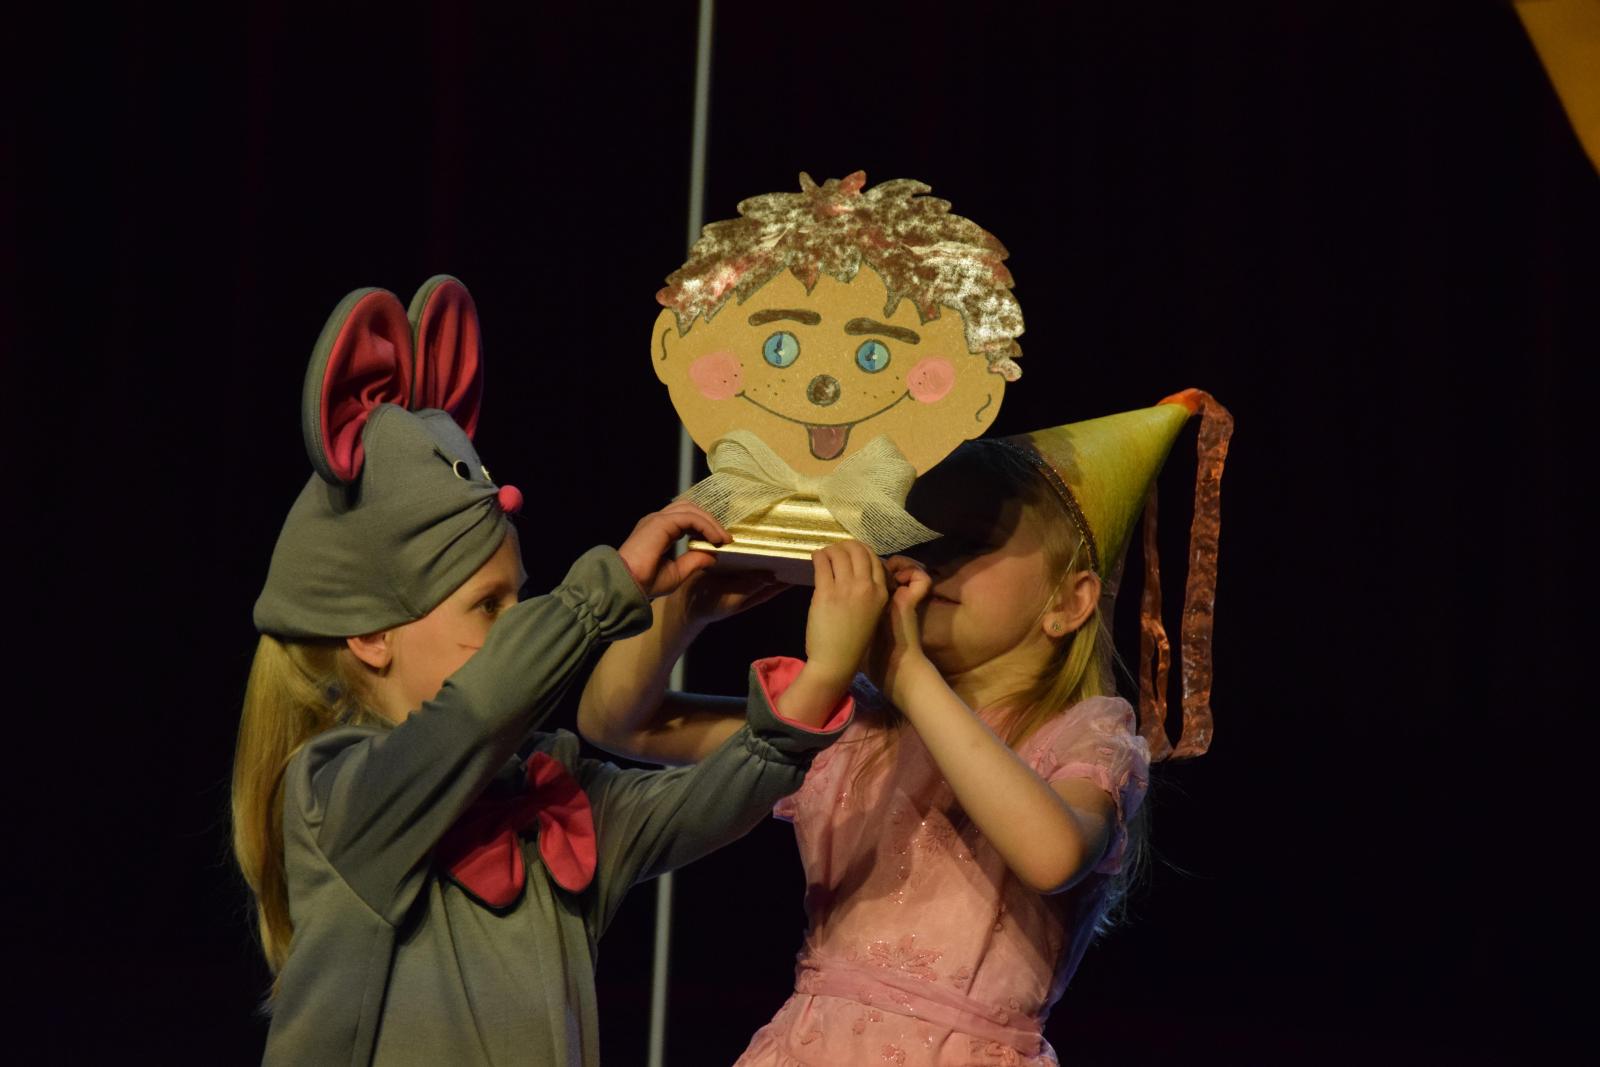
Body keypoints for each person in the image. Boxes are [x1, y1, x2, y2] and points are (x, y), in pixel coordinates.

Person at [231, 276, 874, 1067]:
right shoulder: (334, 796)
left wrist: (821, 673)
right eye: (487, 606)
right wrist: (608, 590)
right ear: (371, 636)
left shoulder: (544, 795)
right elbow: (474, 712)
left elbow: (699, 806)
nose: (517, 623)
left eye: (520, 598)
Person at [579, 390, 1232, 1065]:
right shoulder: (859, 727)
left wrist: (909, 675)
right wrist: (684, 604)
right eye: (912, 537)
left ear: (1069, 601)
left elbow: (1052, 854)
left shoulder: (1085, 733)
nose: (928, 562)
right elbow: (621, 723)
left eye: (970, 541)